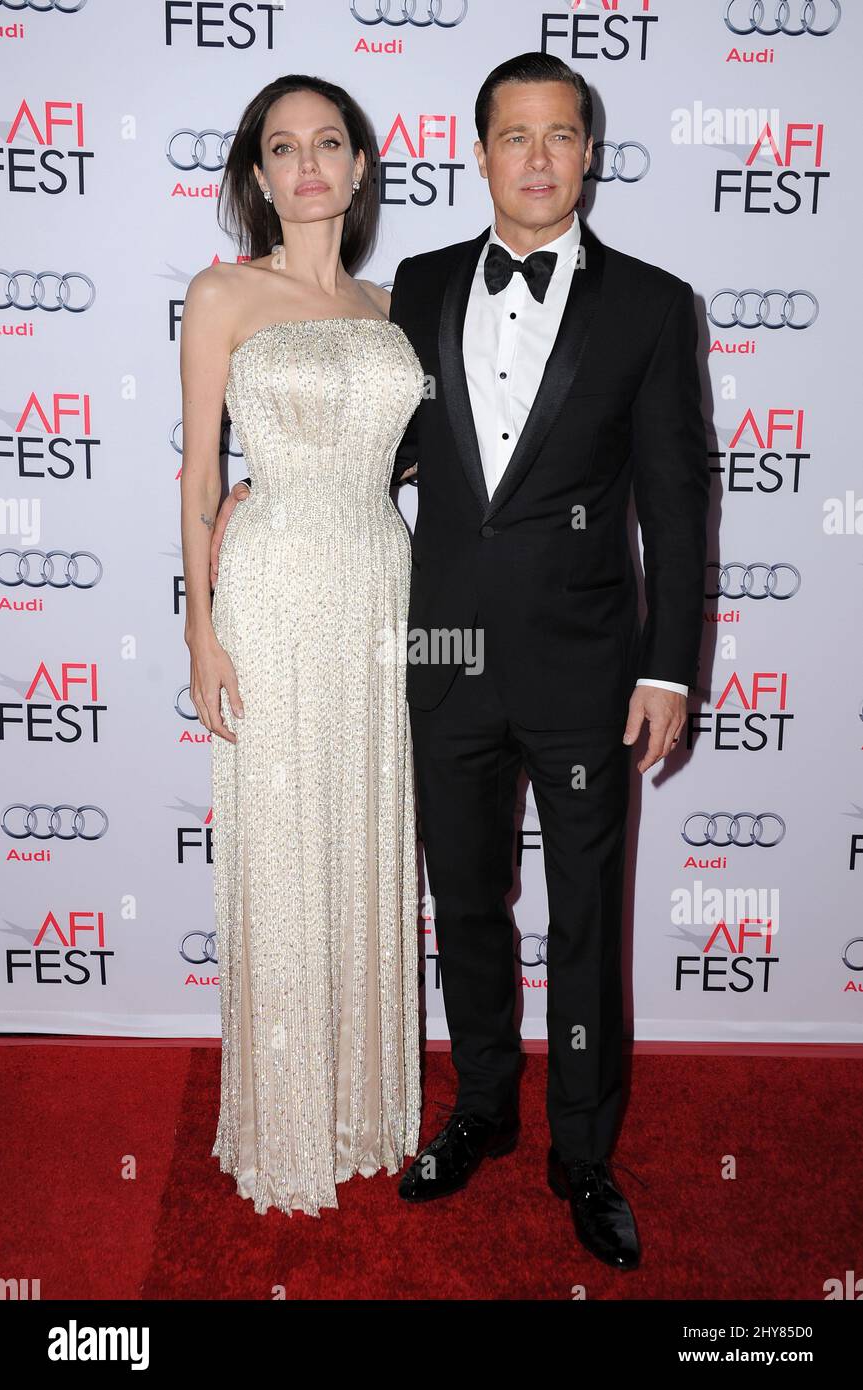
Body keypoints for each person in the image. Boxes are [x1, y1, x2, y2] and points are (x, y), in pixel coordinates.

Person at [214, 53, 709, 1267]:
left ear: (588, 153)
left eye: (559, 136)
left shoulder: (653, 303)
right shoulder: (417, 289)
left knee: (587, 917)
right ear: (477, 151)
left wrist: (669, 667)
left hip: (587, 665)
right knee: (465, 902)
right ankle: (482, 1105)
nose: (536, 158)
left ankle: (582, 1153)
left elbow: (678, 498)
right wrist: (253, 500)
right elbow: (375, 443)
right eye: (512, 136)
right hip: (432, 650)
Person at [180, 74, 424, 1218]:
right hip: (270, 593)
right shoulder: (224, 293)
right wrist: (199, 631)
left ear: (361, 167)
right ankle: (285, 1118)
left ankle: (357, 1103)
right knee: (282, 842)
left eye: (329, 142)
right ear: (259, 174)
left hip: (379, 582)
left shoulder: (392, 312)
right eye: (283, 147)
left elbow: (410, 456)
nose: (308, 164)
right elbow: (196, 479)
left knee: (363, 825)